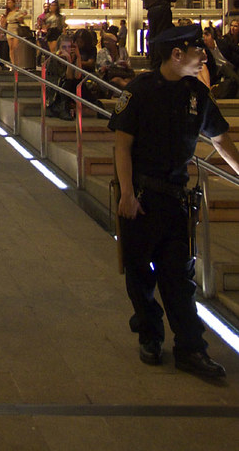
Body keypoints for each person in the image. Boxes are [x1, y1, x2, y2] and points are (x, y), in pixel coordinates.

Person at [109, 23, 239, 381]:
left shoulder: (196, 94)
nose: (204, 57)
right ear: (177, 54)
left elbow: (220, 141)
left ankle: (191, 348)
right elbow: (122, 145)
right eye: (198, 51)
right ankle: (150, 333)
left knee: (178, 278)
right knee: (139, 275)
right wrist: (127, 194)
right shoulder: (139, 92)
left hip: (176, 200)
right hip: (141, 198)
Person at [141, 0, 177, 68]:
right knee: (163, 34)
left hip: (151, 11)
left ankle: (152, 58)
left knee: (152, 34)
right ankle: (161, 59)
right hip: (163, 10)